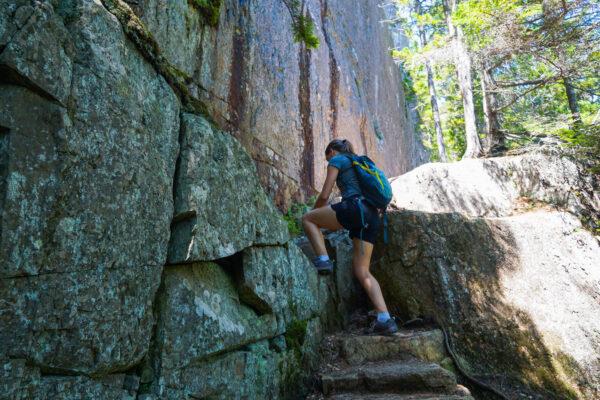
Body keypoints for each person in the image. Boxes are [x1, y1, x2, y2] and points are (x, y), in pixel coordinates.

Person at [301, 139, 398, 335]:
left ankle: (323, 260)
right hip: (372, 215)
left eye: (326, 156)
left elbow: (324, 194)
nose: (327, 160)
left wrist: (314, 213)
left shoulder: (337, 160)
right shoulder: (357, 161)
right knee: (362, 271)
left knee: (307, 219)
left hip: (355, 208)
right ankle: (385, 319)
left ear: (331, 151)